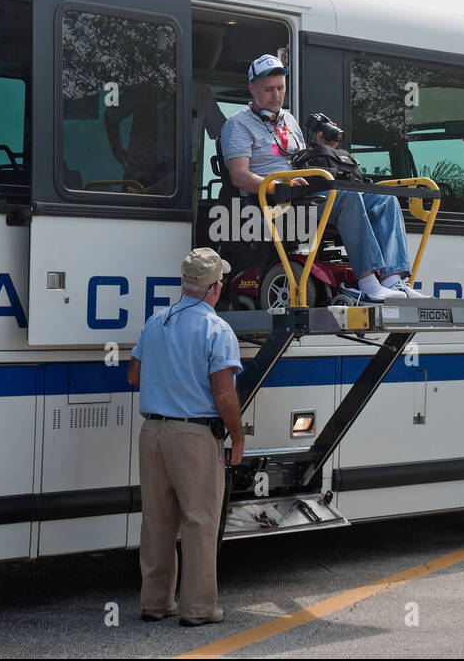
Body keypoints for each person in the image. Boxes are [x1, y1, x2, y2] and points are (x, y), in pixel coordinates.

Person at [219, 54, 423, 301]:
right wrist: (277, 186)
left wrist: (324, 147)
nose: (276, 95)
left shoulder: (289, 121)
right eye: (269, 89)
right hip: (273, 204)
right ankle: (368, 282)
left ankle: (393, 280)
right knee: (346, 197)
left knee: (384, 200)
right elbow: (239, 176)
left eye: (280, 88)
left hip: (305, 197)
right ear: (252, 88)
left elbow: (298, 161)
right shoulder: (238, 124)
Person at [128, 247, 245, 626]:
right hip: (193, 435)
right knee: (199, 520)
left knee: (157, 521)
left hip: (152, 432)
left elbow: (133, 376)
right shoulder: (217, 329)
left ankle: (155, 603)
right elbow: (224, 393)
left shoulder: (155, 322)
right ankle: (198, 609)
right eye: (221, 281)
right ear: (214, 287)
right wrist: (238, 439)